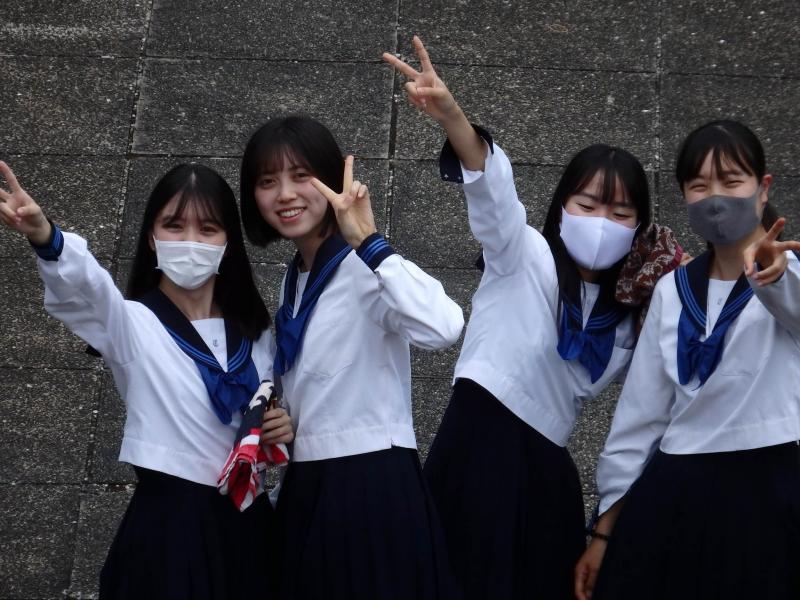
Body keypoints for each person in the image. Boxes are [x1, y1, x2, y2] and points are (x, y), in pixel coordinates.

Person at [383, 36, 683, 599]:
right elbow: (494, 196)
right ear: (562, 207)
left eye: (621, 212)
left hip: (546, 471)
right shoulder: (523, 253)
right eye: (587, 205)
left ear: (639, 226)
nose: (602, 221)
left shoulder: (634, 308)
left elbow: (653, 407)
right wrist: (452, 117)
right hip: (475, 449)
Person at [0, 161, 293, 599]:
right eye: (174, 226)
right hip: (170, 532)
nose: (190, 241)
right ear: (152, 238)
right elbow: (89, 291)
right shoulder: (131, 323)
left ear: (228, 242)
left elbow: (269, 418)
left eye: (208, 229)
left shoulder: (257, 333)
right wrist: (45, 236)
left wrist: (281, 426)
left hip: (249, 526)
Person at [239, 115, 465, 599]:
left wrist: (371, 242)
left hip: (370, 481)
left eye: (301, 176)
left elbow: (444, 326)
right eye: (267, 181)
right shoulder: (293, 278)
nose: (285, 194)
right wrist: (286, 419)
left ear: (331, 179)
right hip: (309, 482)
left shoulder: (364, 266)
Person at [574, 119, 800, 600]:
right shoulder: (672, 289)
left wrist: (776, 275)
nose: (715, 197)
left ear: (763, 189)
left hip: (767, 486)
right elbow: (641, 416)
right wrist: (603, 532)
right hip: (676, 486)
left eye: (732, 181)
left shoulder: (790, 274)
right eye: (699, 185)